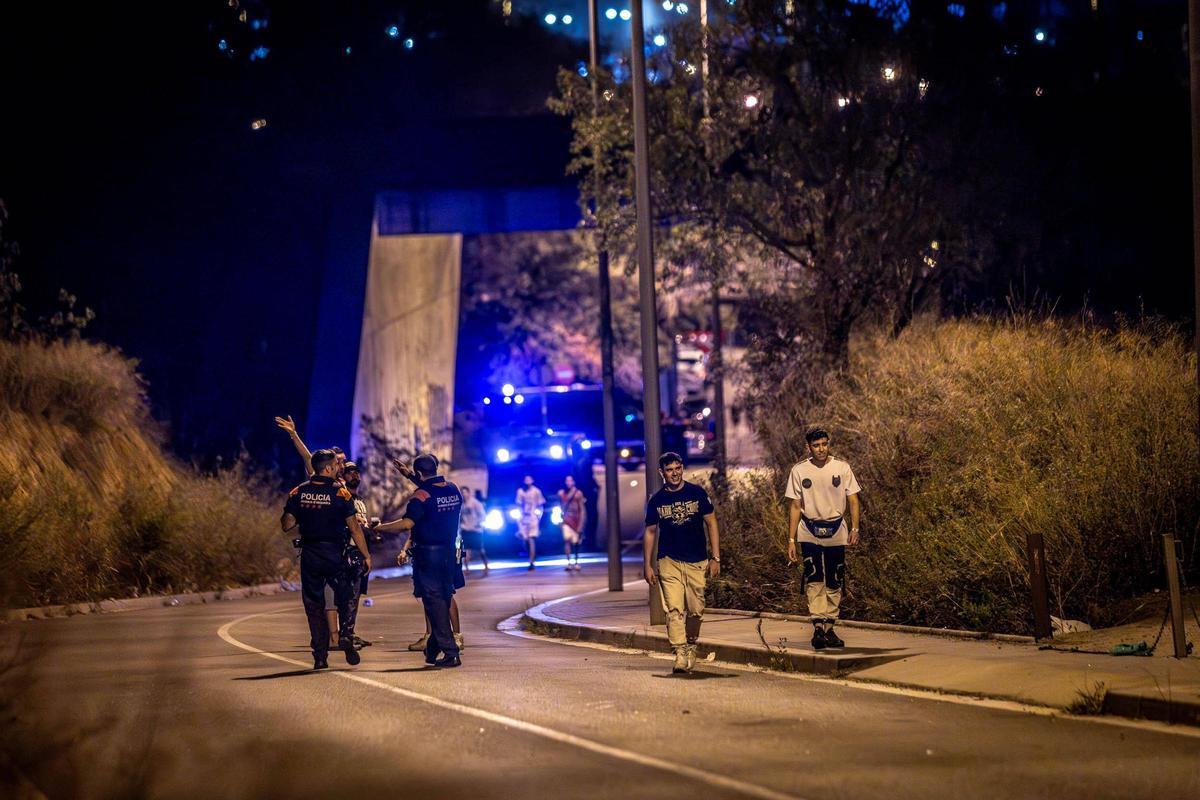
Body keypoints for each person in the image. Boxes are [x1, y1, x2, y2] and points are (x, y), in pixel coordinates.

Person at [280, 449, 372, 670]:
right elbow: (354, 528)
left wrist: (301, 512)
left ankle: (320, 656)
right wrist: (366, 555)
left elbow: (286, 525)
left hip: (310, 555)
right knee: (346, 597)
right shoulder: (341, 493)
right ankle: (346, 635)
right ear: (329, 468)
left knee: (314, 605)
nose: (340, 469)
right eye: (337, 466)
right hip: (335, 554)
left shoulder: (298, 492)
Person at [380, 454, 465, 668]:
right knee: (443, 597)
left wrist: (380, 527)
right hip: (449, 553)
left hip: (428, 555)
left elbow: (407, 523)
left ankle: (450, 651)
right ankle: (433, 648)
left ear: (419, 473)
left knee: (434, 602)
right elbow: (433, 491)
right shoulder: (453, 489)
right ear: (436, 468)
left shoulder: (420, 496)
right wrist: (408, 474)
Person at [784, 428, 862, 650]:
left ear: (829, 444)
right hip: (809, 530)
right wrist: (791, 540)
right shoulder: (799, 471)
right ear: (808, 447)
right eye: (816, 445)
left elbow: (853, 499)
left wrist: (855, 528)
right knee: (814, 576)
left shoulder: (842, 467)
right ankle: (818, 625)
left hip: (837, 529)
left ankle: (830, 626)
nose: (821, 449)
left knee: (835, 578)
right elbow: (796, 506)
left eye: (824, 444)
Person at [643, 452, 720, 674]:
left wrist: (716, 557)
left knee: (696, 609)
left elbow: (712, 523)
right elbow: (649, 532)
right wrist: (647, 564)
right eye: (669, 470)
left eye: (677, 468)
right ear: (662, 473)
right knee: (674, 609)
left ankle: (691, 644)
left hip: (697, 560)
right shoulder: (657, 500)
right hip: (669, 560)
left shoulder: (696, 493)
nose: (674, 473)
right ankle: (679, 651)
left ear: (682, 468)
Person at [515, 475, 545, 570]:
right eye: (525, 479)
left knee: (532, 539)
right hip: (524, 518)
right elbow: (518, 504)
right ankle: (531, 555)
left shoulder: (536, 491)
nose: (527, 481)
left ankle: (531, 562)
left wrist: (538, 516)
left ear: (532, 480)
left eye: (529, 479)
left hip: (533, 518)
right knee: (525, 540)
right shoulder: (520, 491)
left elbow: (541, 505)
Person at [557, 475, 586, 571]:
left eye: (570, 481)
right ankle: (569, 562)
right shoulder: (561, 493)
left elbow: (581, 509)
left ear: (574, 482)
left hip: (576, 520)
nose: (568, 483)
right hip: (566, 520)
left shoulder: (578, 493)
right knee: (567, 540)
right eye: (567, 481)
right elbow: (560, 507)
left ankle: (576, 562)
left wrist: (581, 523)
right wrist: (560, 520)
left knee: (576, 542)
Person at [459, 486, 489, 575]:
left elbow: (482, 515)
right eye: (462, 492)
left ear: (468, 493)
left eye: (465, 492)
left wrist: (478, 523)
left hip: (476, 529)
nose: (464, 494)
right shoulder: (461, 504)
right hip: (465, 529)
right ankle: (467, 568)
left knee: (480, 549)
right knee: (466, 549)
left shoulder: (475, 503)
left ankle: (486, 565)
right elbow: (460, 517)